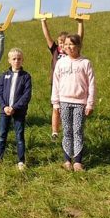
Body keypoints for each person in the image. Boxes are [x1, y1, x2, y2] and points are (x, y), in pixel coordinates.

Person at [52, 34, 96, 172]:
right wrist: (56, 102)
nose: (68, 47)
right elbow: (56, 83)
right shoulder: (61, 63)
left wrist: (90, 103)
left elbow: (92, 84)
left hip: (80, 102)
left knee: (77, 131)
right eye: (66, 44)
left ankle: (77, 161)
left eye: (71, 44)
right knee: (67, 131)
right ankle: (67, 161)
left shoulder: (85, 63)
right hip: (64, 101)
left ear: (78, 46)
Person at [41, 18, 84, 140]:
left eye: (63, 42)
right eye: (60, 42)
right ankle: (55, 131)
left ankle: (68, 130)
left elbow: (79, 37)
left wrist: (80, 23)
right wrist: (43, 22)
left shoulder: (71, 51)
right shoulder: (55, 50)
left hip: (70, 84)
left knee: (68, 108)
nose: (61, 44)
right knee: (56, 108)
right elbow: (47, 36)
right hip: (56, 83)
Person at [0, 48, 32, 170]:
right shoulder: (4, 75)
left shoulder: (26, 76)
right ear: (9, 60)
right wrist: (4, 106)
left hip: (19, 111)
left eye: (19, 59)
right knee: (2, 135)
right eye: (14, 59)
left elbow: (27, 95)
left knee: (19, 136)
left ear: (22, 60)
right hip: (4, 111)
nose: (16, 61)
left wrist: (15, 107)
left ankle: (21, 161)